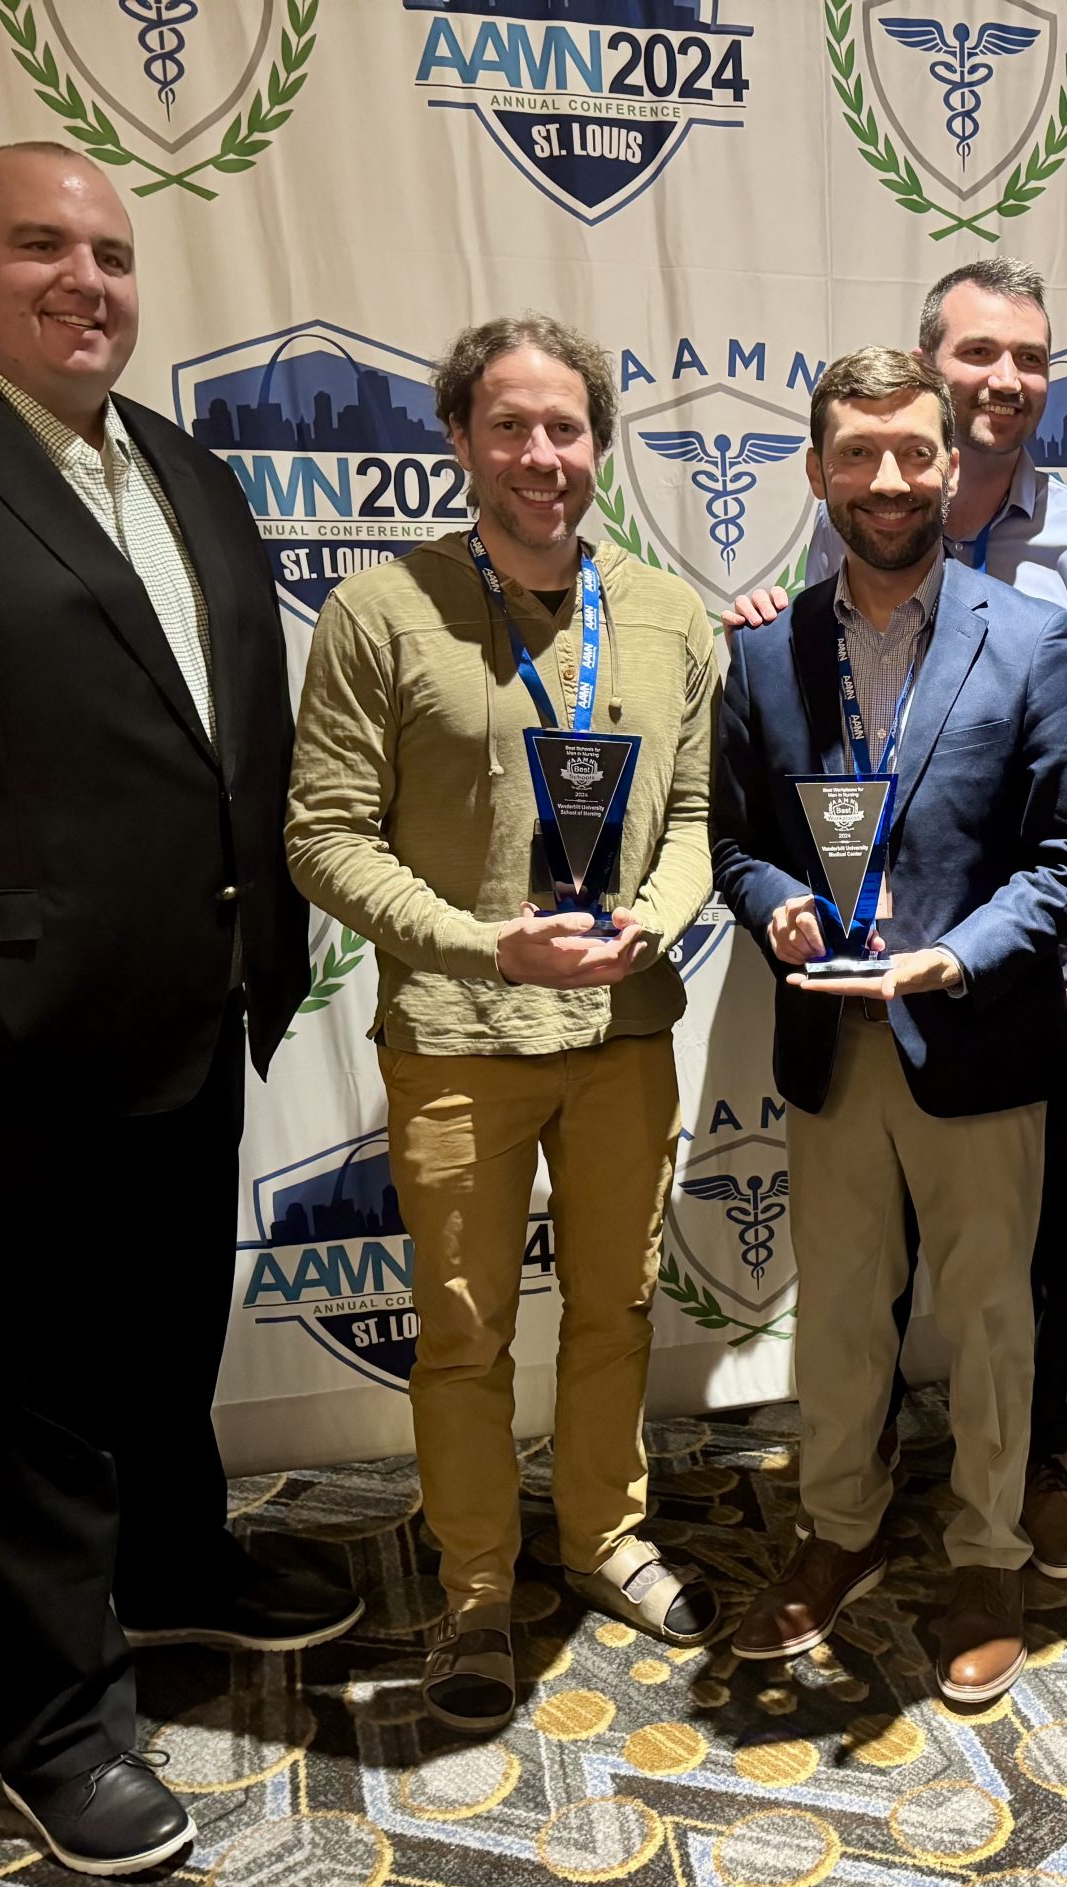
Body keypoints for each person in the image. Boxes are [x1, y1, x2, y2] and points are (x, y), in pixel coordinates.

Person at [0, 141, 359, 1876]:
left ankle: (178, 1569)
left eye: (108, 252)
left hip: (181, 1015)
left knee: (160, 1345)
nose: (83, 280)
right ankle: (54, 1719)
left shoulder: (179, 467)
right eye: (40, 246)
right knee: (13, 1406)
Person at [287, 314, 722, 1732]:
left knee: (618, 1308)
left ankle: (603, 1539)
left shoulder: (668, 616)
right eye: (512, 427)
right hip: (458, 1042)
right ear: (462, 439)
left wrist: (655, 907)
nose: (543, 455)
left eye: (568, 427)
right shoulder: (381, 613)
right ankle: (477, 1584)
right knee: (463, 1333)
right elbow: (325, 837)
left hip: (622, 1038)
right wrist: (488, 944)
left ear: (600, 441)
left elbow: (703, 818)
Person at [727, 261, 1067, 1581]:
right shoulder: (767, 646)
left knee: (993, 1321)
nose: (893, 480)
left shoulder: (1038, 629)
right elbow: (738, 837)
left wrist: (963, 956)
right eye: (859, 456)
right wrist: (782, 902)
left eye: (913, 452)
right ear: (818, 476)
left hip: (982, 1036)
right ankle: (837, 1529)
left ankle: (986, 1553)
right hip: (831, 1042)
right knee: (843, 1319)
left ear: (946, 454)